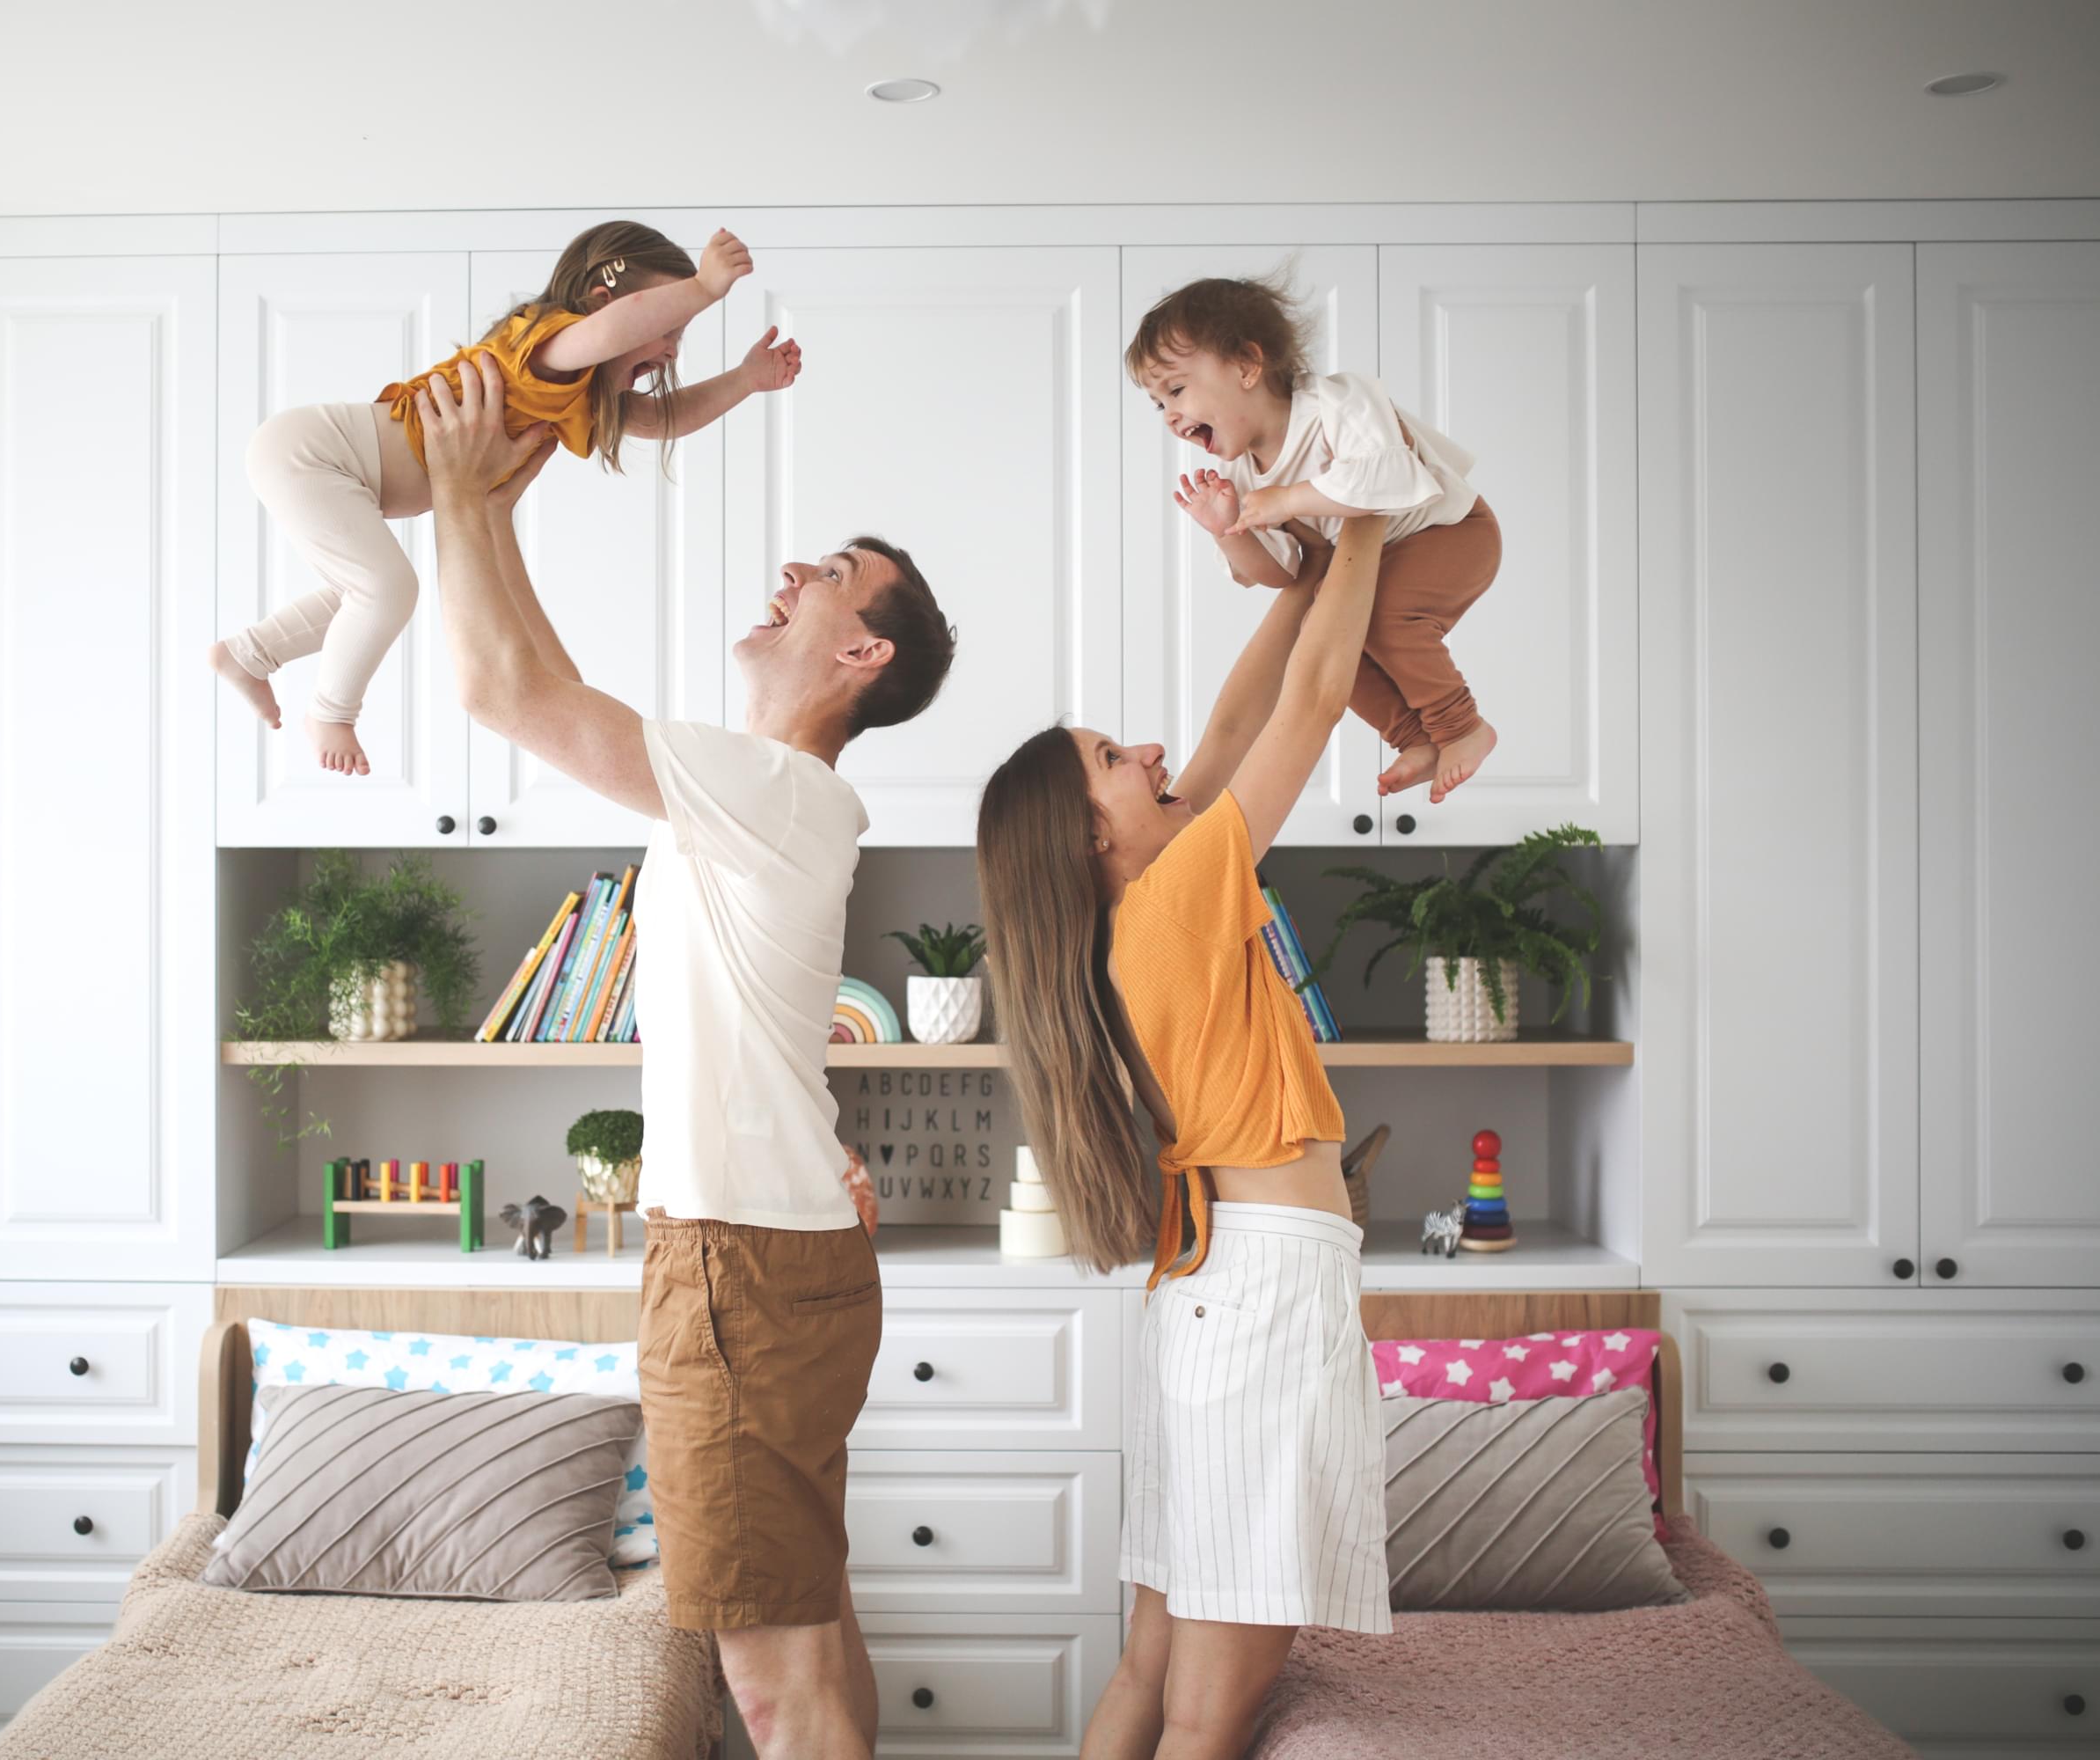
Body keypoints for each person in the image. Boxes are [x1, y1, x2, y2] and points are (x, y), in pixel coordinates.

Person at [413, 353, 957, 1760]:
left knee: (771, 1684)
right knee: (816, 1625)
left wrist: (471, 498)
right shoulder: (779, 794)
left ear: (861, 654)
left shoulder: (766, 784)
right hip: (781, 1259)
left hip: (739, 1270)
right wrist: (484, 509)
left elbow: (499, 690)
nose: (794, 570)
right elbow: (539, 678)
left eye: (832, 573)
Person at [977, 514, 1396, 1760]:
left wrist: (1304, 578)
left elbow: (1226, 730)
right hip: (1262, 1297)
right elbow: (1312, 705)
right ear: (1095, 834)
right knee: (1212, 1714)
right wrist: (1366, 521)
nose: (1151, 750)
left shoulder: (1130, 927)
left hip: (1209, 1305)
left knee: (1152, 1674)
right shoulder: (1177, 902)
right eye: (1114, 756)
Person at [214, 220, 801, 774]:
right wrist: (703, 287)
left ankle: (249, 654)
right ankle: (331, 713)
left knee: (366, 594)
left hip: (327, 463)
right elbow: (604, 335)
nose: (673, 349)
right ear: (603, 301)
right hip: (315, 451)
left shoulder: (576, 396)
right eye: (668, 326)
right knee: (386, 590)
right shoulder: (545, 348)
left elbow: (660, 419)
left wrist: (746, 379)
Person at [1133, 269, 1500, 802]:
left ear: (1246, 365)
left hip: (1449, 532)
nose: (1169, 416)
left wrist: (1286, 500)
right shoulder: (1240, 475)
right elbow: (1284, 574)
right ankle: (1413, 736)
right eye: (1158, 404)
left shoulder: (1336, 403)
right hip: (1378, 559)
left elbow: (1387, 481)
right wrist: (1228, 531)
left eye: (1177, 390)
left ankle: (1461, 727)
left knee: (1384, 617)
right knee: (1322, 639)